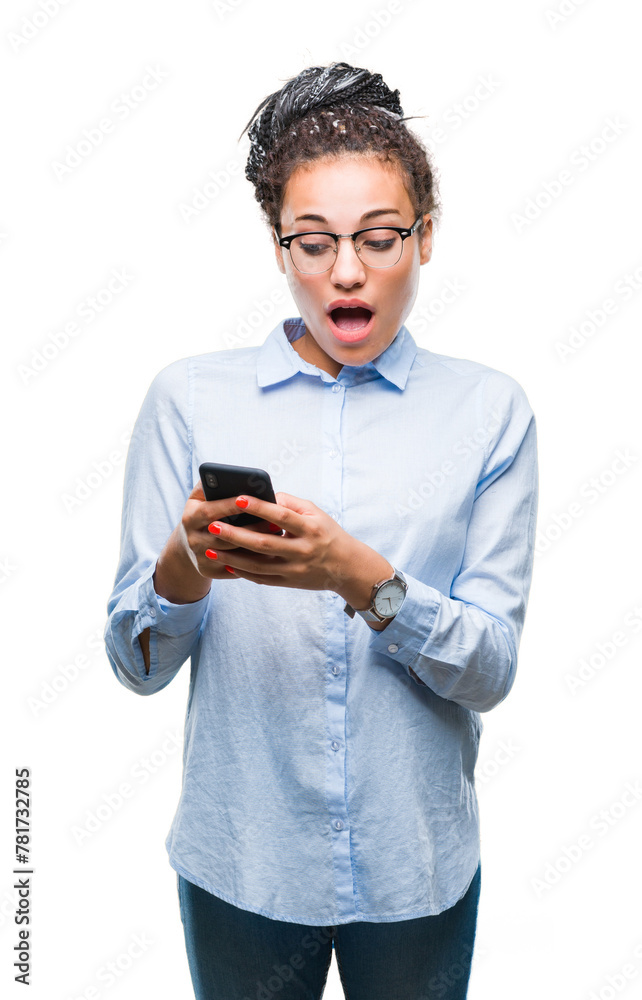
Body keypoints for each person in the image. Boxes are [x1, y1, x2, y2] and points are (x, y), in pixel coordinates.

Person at [104, 60, 538, 1000]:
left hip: (415, 864)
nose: (347, 270)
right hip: (243, 859)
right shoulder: (188, 400)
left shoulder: (491, 413)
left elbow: (491, 669)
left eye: (379, 238)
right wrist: (184, 567)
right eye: (314, 242)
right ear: (279, 247)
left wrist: (360, 577)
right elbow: (136, 665)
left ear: (425, 238)